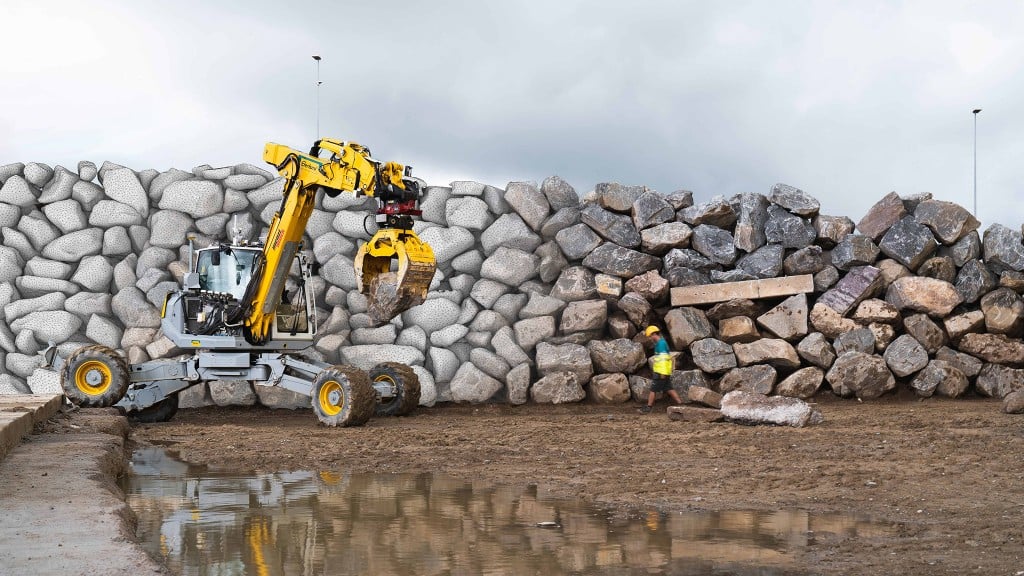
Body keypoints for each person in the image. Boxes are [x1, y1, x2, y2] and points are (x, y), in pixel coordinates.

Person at [640, 326, 683, 413]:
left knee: (653, 390)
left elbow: (664, 359)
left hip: (661, 372)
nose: (650, 338)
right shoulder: (660, 343)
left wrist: (663, 373)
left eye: (650, 336)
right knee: (669, 388)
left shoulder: (661, 344)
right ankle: (681, 404)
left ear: (654, 334)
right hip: (663, 371)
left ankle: (648, 407)